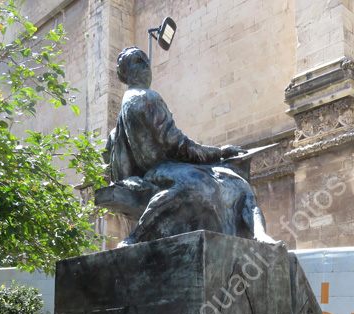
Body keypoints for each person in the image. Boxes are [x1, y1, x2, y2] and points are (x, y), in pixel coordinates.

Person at [102, 47, 276, 246]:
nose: (146, 66)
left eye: (146, 61)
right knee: (195, 183)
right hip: (160, 169)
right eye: (139, 62)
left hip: (168, 167)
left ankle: (259, 235)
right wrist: (219, 152)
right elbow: (178, 145)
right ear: (125, 73)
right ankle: (136, 236)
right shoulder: (146, 98)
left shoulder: (130, 100)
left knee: (237, 182)